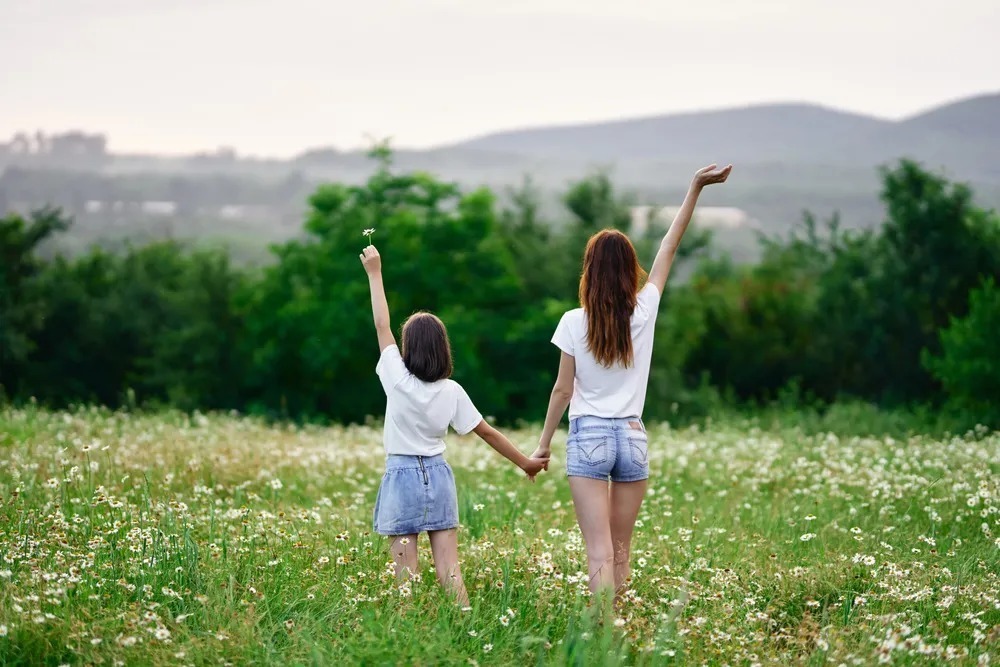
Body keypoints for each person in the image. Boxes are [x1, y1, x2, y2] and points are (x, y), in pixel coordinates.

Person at [530, 163, 733, 599]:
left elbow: (563, 390)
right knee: (621, 550)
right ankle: (619, 627)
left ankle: (601, 636)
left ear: (589, 269)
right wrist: (695, 187)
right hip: (633, 437)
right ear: (629, 271)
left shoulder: (572, 321)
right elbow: (670, 245)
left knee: (598, 552)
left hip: (589, 438)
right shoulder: (645, 311)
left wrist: (543, 444)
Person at [360, 244, 549, 606]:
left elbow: (381, 323)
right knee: (449, 568)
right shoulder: (452, 391)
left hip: (401, 476)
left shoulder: (397, 380)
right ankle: (463, 620)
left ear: (408, 349)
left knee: (406, 576)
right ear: (443, 349)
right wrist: (525, 462)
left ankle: (409, 633)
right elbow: (487, 432)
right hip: (440, 476)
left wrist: (375, 272)